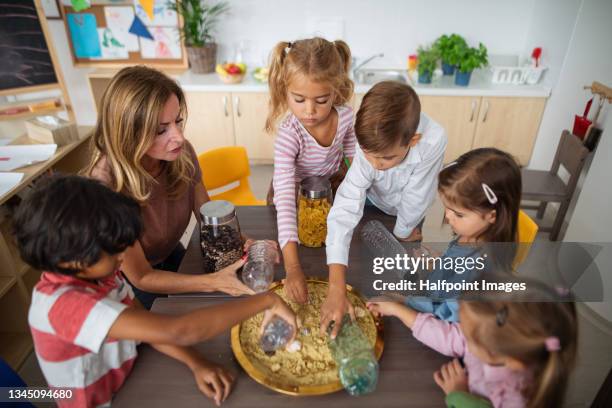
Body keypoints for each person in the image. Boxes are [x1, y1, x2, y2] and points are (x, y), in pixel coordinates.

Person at [16, 175, 296, 407]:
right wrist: (265, 300)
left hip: (127, 376)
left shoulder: (100, 275)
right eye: (112, 249)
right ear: (71, 258)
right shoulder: (66, 306)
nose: (122, 256)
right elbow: (179, 330)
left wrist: (195, 361)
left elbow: (148, 323)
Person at [85, 66, 253, 308]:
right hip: (126, 283)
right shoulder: (105, 186)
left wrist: (245, 242)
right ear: (128, 133)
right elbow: (142, 277)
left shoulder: (181, 154)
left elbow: (209, 218)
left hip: (169, 254)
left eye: (178, 121)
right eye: (161, 130)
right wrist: (212, 282)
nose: (179, 137)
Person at [322, 81, 447, 337]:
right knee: (361, 260)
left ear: (413, 140)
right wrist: (336, 286)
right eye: (368, 155)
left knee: (400, 273)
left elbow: (417, 195)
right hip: (374, 199)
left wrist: (402, 232)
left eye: (387, 158)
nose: (376, 165)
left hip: (408, 215)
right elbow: (347, 205)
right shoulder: (368, 135)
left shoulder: (434, 140)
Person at [367, 279, 578, 407]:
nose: (462, 334)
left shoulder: (517, 398)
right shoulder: (495, 339)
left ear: (512, 361)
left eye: (469, 335)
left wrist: (459, 395)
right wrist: (397, 309)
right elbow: (449, 336)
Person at [265, 37, 356, 304]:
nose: (310, 111)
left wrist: (352, 193)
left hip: (326, 192)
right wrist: (293, 269)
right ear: (285, 91)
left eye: (321, 100)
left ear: (335, 91)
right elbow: (283, 200)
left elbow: (353, 162)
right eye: (299, 99)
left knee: (322, 251)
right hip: (291, 196)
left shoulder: (347, 118)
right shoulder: (289, 135)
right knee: (300, 248)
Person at [406, 148, 522, 322]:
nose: (447, 216)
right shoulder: (471, 235)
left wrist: (402, 302)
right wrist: (437, 263)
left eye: (458, 214)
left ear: (491, 215)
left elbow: (444, 314)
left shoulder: (478, 270)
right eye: (447, 207)